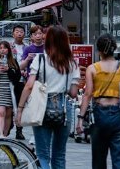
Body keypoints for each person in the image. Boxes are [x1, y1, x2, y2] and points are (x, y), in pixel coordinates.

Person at [18, 24, 80, 169]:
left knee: (42, 155)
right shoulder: (72, 63)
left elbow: (29, 85)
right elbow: (73, 93)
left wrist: (20, 109)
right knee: (59, 155)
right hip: (64, 109)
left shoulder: (40, 60)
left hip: (42, 107)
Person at [77, 35, 120, 169]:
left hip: (100, 115)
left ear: (99, 51)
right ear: (114, 50)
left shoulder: (93, 68)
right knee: (119, 161)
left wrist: (80, 119)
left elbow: (87, 94)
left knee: (99, 160)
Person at [0, 40, 23, 138]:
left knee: (8, 114)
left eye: (4, 48)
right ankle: (1, 135)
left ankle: (5, 135)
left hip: (10, 92)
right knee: (1, 112)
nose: (2, 50)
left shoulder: (13, 62)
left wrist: (9, 70)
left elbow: (17, 77)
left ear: (8, 50)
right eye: (0, 48)